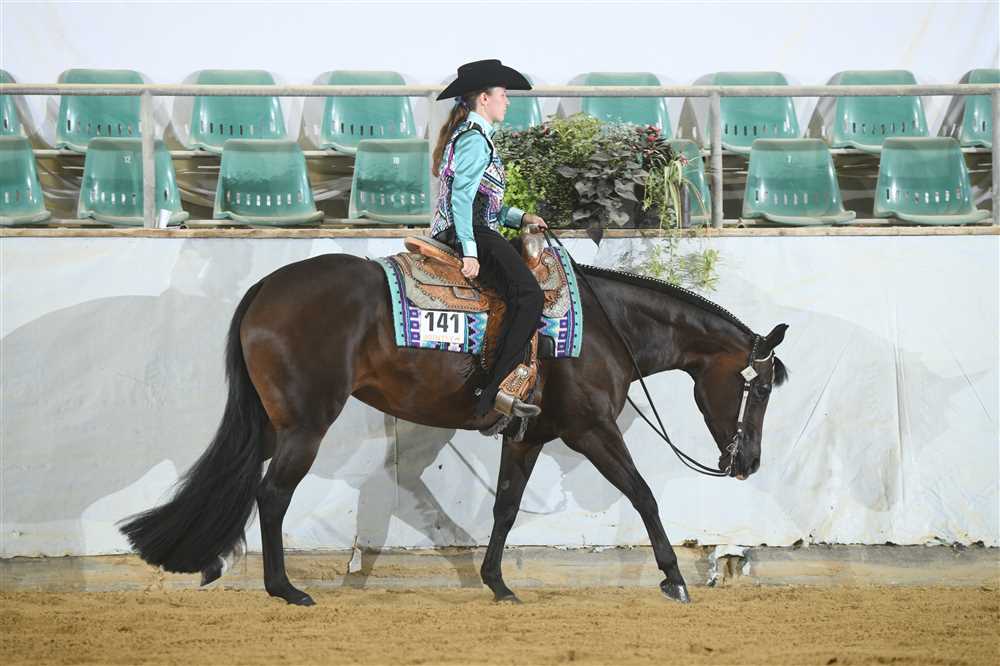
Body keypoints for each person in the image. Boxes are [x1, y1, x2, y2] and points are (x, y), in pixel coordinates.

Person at [430, 59, 548, 419]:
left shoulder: (473, 136)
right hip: (471, 231)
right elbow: (461, 199)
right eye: (503, 95)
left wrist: (521, 217)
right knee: (530, 295)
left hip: (478, 227)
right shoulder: (475, 140)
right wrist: (469, 251)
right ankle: (495, 390)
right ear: (484, 98)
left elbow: (486, 200)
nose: (507, 101)